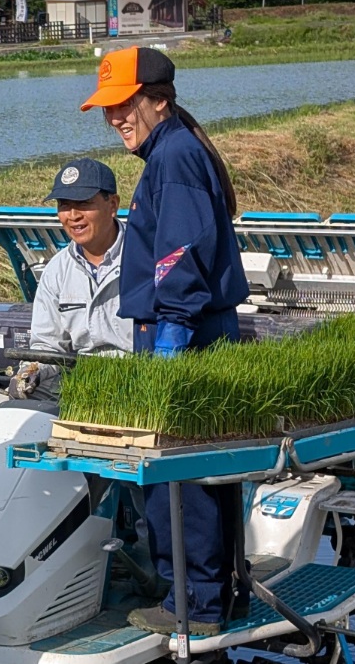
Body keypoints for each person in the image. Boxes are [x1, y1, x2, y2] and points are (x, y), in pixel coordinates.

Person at [80, 46, 250, 637]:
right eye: (108, 109)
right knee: (206, 469)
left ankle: (194, 606)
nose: (114, 118)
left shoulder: (174, 157)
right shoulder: (174, 151)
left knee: (178, 475)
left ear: (158, 99)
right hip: (195, 327)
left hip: (184, 331)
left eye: (123, 105)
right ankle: (219, 594)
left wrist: (171, 344)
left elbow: (180, 257)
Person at [7, 157, 133, 402]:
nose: (73, 215)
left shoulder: (147, 258)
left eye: (84, 203)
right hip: (81, 381)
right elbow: (47, 345)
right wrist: (31, 371)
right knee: (7, 403)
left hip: (142, 379)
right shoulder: (57, 270)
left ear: (113, 205)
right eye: (64, 205)